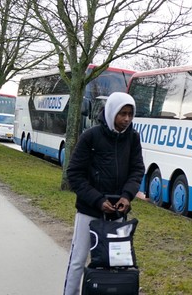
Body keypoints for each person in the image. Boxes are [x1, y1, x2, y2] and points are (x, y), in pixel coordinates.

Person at [62, 92, 145, 295]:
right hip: (89, 211)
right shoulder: (90, 136)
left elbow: (137, 169)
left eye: (130, 114)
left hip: (117, 213)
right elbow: (74, 174)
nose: (126, 119)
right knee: (78, 261)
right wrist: (98, 200)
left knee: (115, 263)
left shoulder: (133, 138)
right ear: (111, 112)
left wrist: (127, 195)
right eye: (122, 114)